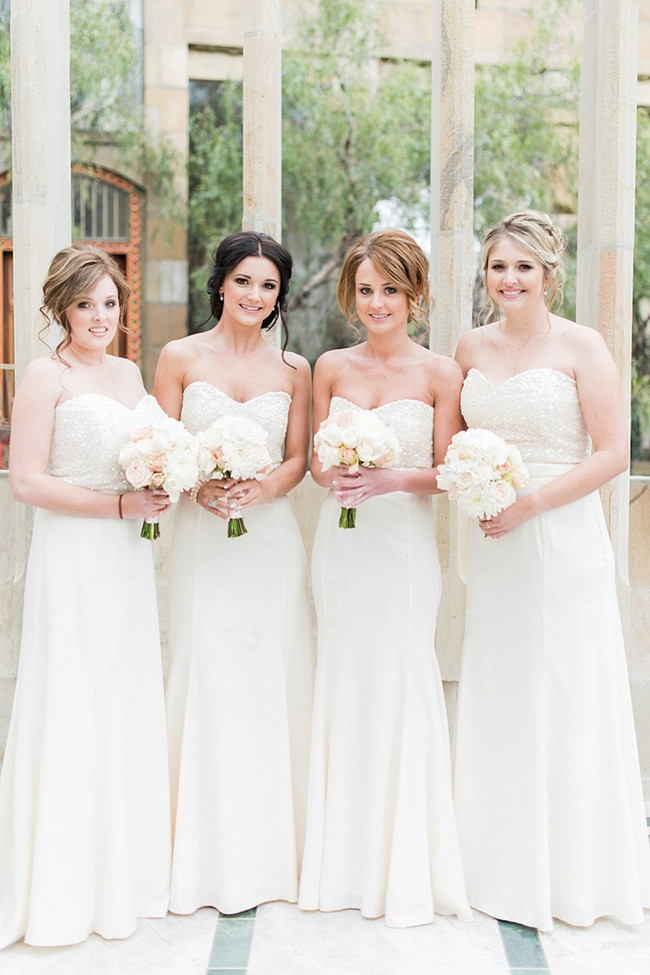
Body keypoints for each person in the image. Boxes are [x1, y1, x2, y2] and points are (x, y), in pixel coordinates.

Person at [453, 210, 650, 931]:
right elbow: (458, 438)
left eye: (523, 268)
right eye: (499, 266)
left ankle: (571, 869)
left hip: (559, 535)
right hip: (496, 540)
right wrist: (473, 483)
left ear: (548, 273)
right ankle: (496, 860)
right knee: (505, 684)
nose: (509, 279)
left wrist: (530, 502)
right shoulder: (470, 344)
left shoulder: (582, 345)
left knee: (564, 685)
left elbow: (610, 453)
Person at [0, 244, 172, 948]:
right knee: (72, 696)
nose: (100, 316)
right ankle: (63, 888)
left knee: (121, 694)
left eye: (109, 302)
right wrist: (118, 508)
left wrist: (162, 485)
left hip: (129, 559)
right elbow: (27, 482)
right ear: (60, 309)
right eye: (84, 304)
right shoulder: (45, 376)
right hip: (76, 552)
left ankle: (121, 877)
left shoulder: (130, 372)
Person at [298, 228, 471, 928]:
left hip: (400, 551)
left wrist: (389, 475)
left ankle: (402, 861)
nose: (377, 302)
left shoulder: (439, 374)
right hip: (340, 552)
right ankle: (340, 861)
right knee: (344, 677)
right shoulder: (330, 366)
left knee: (400, 676)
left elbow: (450, 471)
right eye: (366, 290)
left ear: (416, 295)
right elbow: (312, 458)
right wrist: (334, 468)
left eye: (390, 290)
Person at [154, 231, 314, 916]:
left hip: (268, 540)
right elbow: (160, 446)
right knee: (205, 669)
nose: (255, 295)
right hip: (201, 538)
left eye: (268, 285)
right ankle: (196, 855)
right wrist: (198, 487)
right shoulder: (179, 356)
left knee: (266, 676)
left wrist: (264, 489)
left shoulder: (296, 369)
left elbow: (300, 457)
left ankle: (273, 856)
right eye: (243, 281)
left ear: (280, 295)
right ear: (220, 283)